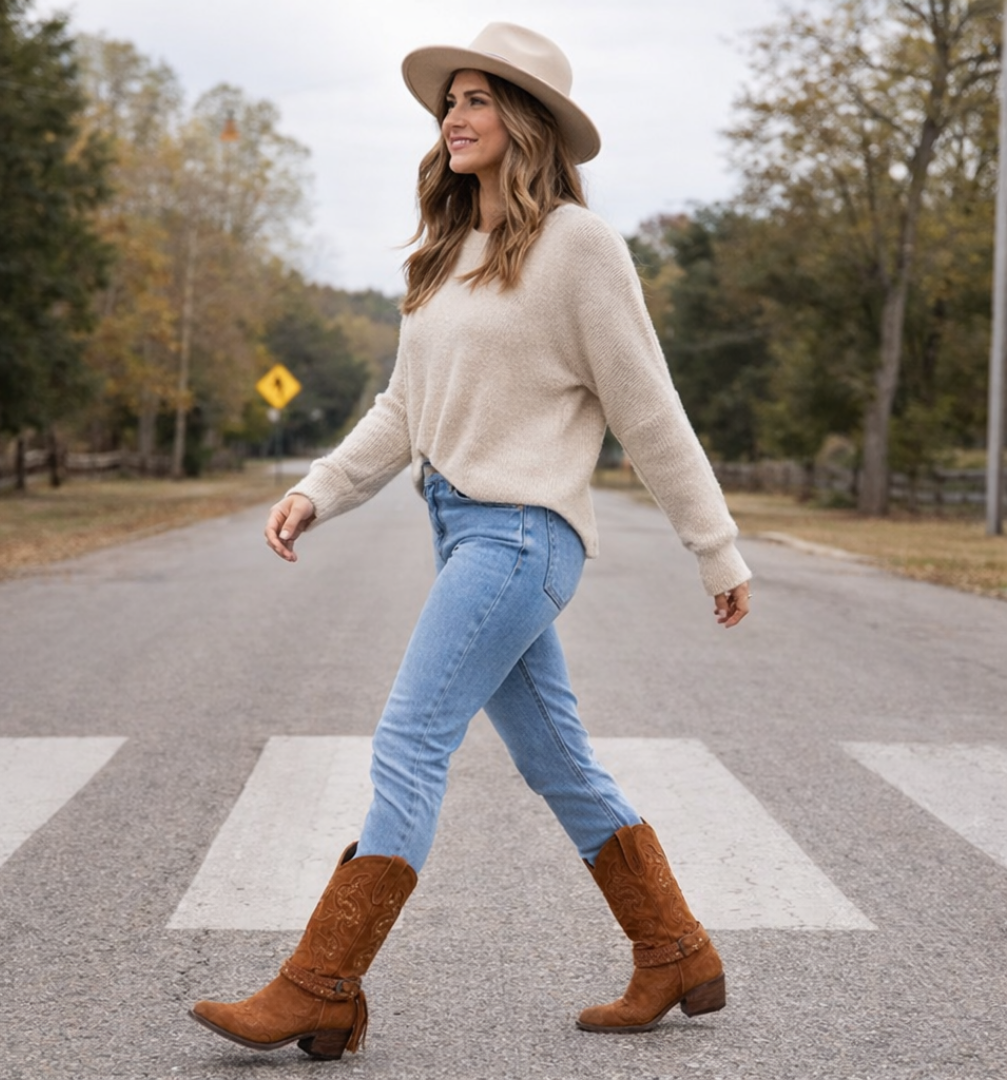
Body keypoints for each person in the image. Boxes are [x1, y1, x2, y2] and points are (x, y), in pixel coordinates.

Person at [190, 22, 751, 1060]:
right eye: (449, 98)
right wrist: (317, 490)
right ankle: (674, 950)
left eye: (480, 97)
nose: (455, 114)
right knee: (559, 763)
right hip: (463, 534)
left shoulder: (580, 248)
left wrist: (714, 546)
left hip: (525, 537)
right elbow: (406, 408)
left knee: (409, 739)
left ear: (526, 123)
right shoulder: (448, 255)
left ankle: (323, 983)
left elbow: (649, 408)